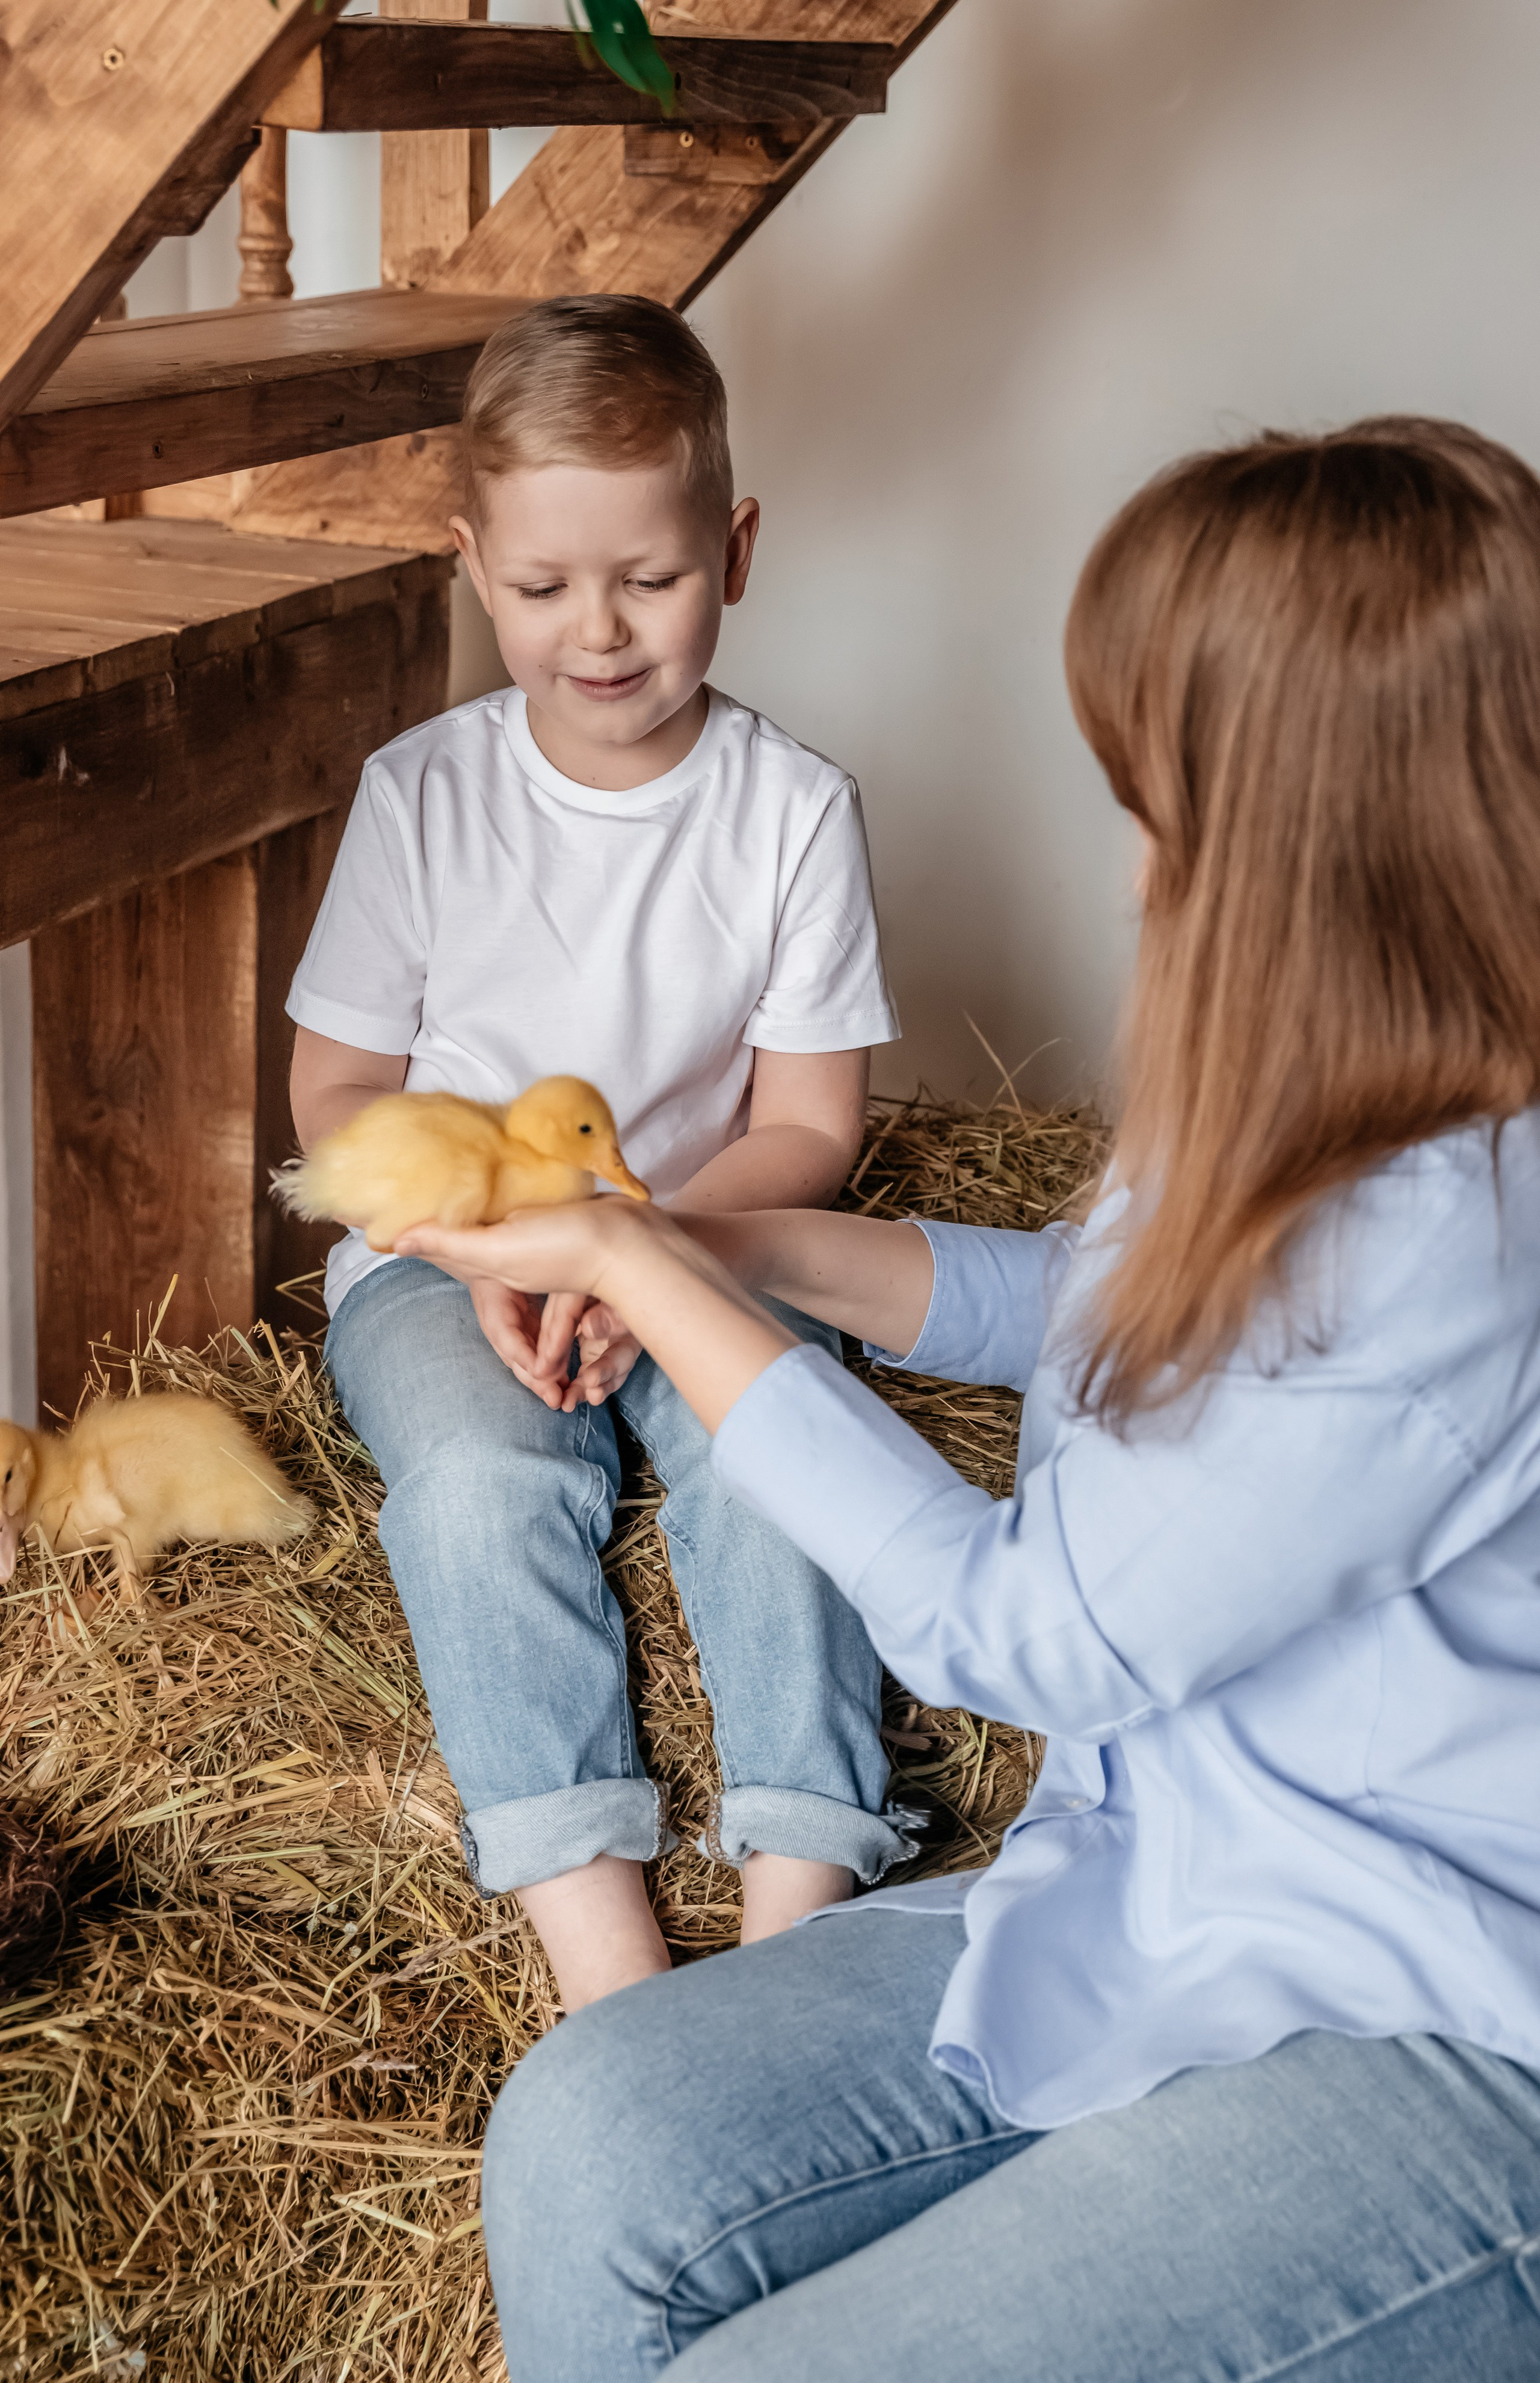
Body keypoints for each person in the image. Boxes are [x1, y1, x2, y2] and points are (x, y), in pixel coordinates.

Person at [398, 417, 1540, 2379]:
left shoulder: (1454, 1227)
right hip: (1175, 1859)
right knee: (594, 2139)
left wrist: (659, 1286)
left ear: (1299, 835)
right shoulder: (1318, 1089)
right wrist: (725, 1244)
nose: (1131, 845)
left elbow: (1027, 1630)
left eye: (1155, 787)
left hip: (1430, 1999)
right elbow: (1089, 1301)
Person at [286, 295, 913, 2014]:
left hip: (707, 1234)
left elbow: (812, 1125)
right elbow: (334, 1089)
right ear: (476, 567)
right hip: (445, 1262)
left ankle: (803, 1895)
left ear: (738, 546)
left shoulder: (791, 810)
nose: (602, 630)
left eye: (650, 576)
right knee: (484, 1488)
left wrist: (643, 1257)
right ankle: (607, 1959)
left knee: (782, 1453)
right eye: (548, 588)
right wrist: (495, 1243)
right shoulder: (422, 794)